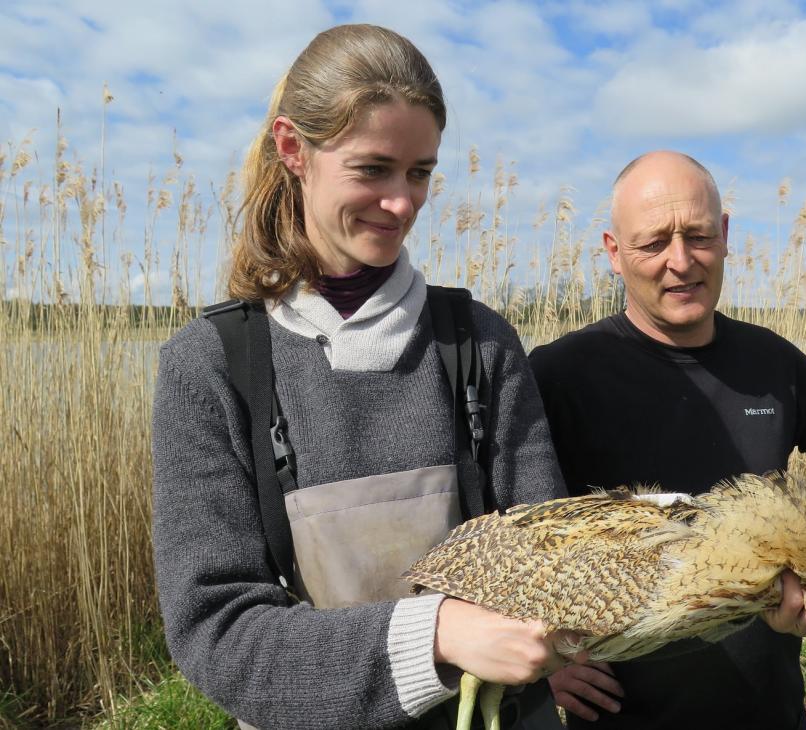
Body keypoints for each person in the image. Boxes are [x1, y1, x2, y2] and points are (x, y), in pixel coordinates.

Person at [151, 24, 568, 729]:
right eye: (373, 169)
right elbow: (217, 633)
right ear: (293, 149)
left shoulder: (481, 343)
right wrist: (435, 634)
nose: (403, 204)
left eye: (420, 173)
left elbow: (550, 561)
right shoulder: (211, 365)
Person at [529, 151, 806, 730]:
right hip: (621, 714)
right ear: (614, 253)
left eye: (697, 235)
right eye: (653, 243)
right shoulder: (559, 375)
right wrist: (539, 668)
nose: (680, 261)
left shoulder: (773, 363)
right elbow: (499, 532)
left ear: (724, 234)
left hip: (768, 708)